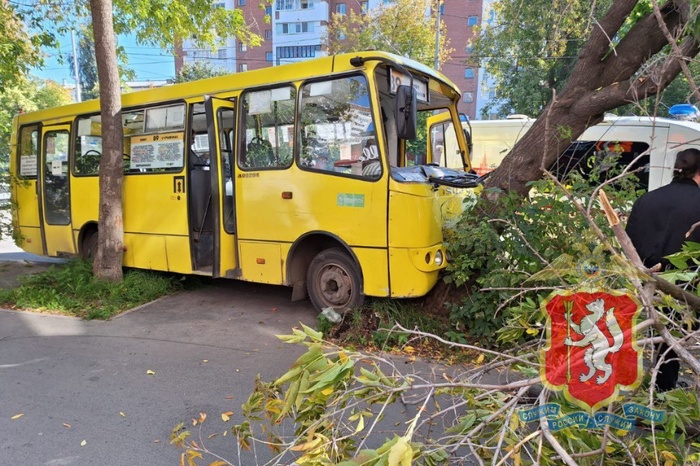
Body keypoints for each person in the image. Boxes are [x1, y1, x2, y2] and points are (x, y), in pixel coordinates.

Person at [626, 148, 700, 391]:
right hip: (687, 285)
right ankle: (664, 388)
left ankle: (660, 387)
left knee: (661, 335)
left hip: (647, 280)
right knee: (673, 337)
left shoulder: (647, 199)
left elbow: (629, 241)